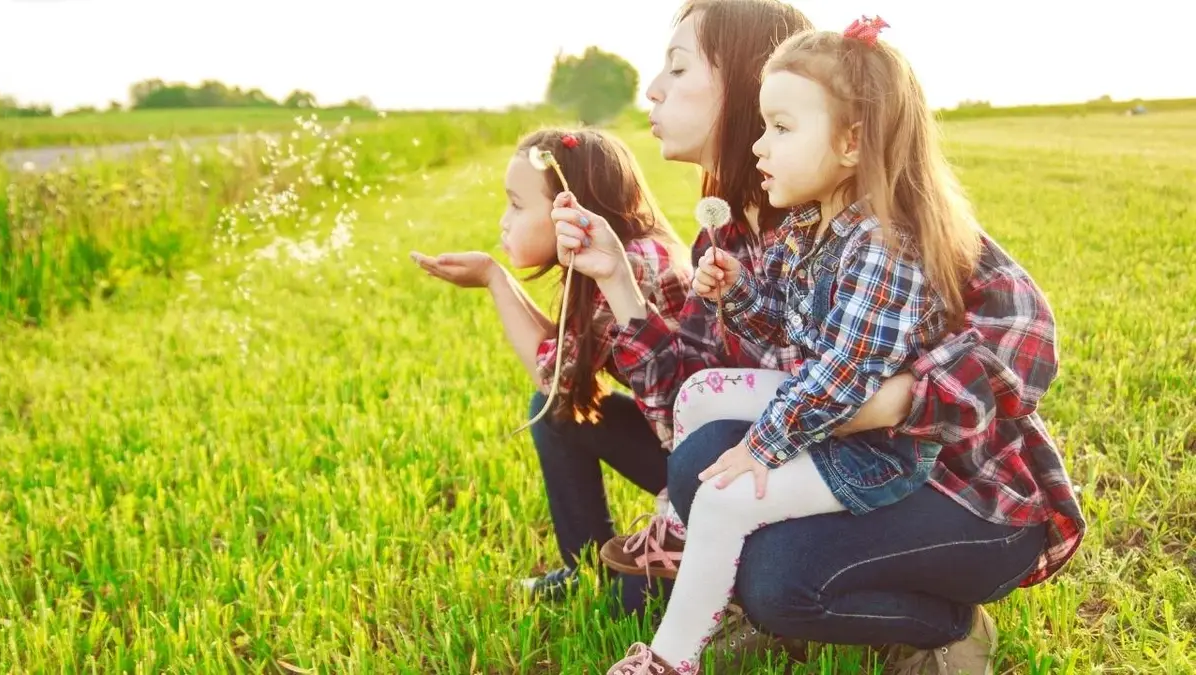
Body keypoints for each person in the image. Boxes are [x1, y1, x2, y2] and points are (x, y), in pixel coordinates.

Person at [553, 2, 1086, 673]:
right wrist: (624, 280)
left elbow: (1024, 343)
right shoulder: (778, 227)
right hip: (831, 439)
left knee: (771, 571)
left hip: (960, 491)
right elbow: (680, 413)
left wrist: (894, 400)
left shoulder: (892, 230)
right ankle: (711, 561)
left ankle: (944, 622)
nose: (653, 89)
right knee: (703, 463)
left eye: (678, 66)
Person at [412, 129, 692, 603]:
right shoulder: (619, 253)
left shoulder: (633, 264)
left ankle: (664, 559)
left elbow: (555, 377)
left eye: (517, 205)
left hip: (702, 464)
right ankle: (584, 567)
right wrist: (496, 276)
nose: (504, 222)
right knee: (558, 413)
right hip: (673, 439)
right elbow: (569, 359)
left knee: (634, 609)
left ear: (572, 207)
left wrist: (495, 281)